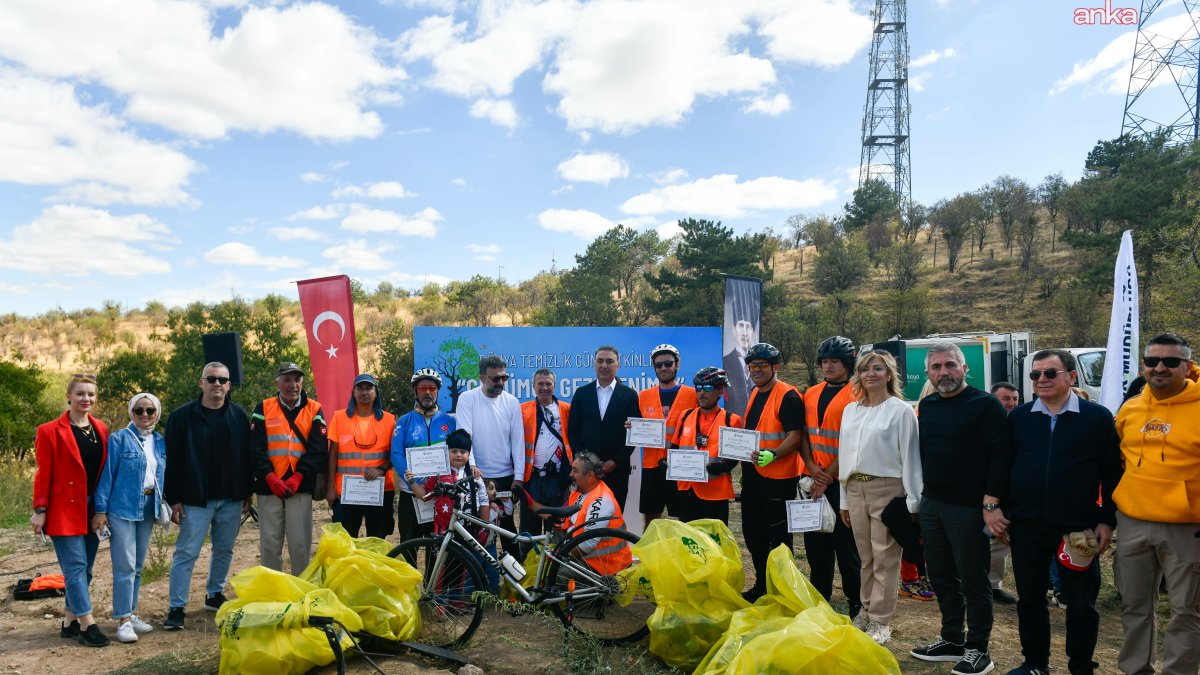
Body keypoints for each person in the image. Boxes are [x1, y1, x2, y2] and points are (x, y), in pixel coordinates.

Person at [1004, 349, 1121, 675]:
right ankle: (1035, 663)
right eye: (1035, 375)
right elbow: (1006, 465)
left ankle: (1081, 666)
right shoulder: (1021, 417)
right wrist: (1000, 508)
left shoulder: (1096, 417)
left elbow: (1112, 472)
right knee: (1029, 601)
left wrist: (1107, 518)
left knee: (1081, 604)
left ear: (1071, 377)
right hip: (1027, 525)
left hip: (1079, 527)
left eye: (1049, 373)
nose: (1041, 379)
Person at [910, 342, 1010, 675]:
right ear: (928, 373)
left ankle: (978, 649)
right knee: (939, 574)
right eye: (936, 367)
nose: (944, 372)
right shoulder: (930, 406)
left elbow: (1001, 456)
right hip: (933, 503)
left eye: (950, 365)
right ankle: (952, 638)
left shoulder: (985, 405)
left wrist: (991, 502)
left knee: (973, 578)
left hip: (970, 509)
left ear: (965, 369)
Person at [1112, 333, 1200, 675]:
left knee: (1186, 610)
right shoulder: (1131, 408)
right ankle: (1135, 670)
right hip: (1133, 522)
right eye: (1152, 361)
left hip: (1187, 527)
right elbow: (1120, 458)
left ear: (1188, 367)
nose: (1160, 367)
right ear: (1143, 366)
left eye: (1171, 361)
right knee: (1134, 606)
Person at [837, 350, 922, 646]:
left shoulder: (900, 410)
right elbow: (844, 455)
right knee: (866, 556)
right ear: (858, 375)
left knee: (885, 557)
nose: (871, 374)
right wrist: (844, 500)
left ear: (889, 374)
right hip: (855, 487)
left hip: (888, 487)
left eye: (878, 369)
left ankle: (881, 621)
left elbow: (911, 457)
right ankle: (866, 609)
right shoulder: (851, 410)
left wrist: (913, 502)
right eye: (865, 369)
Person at [163, 362, 253, 630]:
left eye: (222, 380)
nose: (217, 384)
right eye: (211, 379)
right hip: (194, 499)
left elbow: (245, 458)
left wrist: (247, 491)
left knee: (224, 549)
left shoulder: (239, 416)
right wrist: (174, 498)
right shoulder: (181, 417)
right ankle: (176, 607)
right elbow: (173, 460)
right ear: (201, 383)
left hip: (231, 498)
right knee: (186, 553)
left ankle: (214, 595)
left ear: (229, 385)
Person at [31, 373, 111, 647]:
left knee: (85, 569)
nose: (85, 398)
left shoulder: (101, 428)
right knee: (75, 566)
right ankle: (88, 624)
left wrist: (101, 508)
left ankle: (68, 623)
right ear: (69, 396)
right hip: (62, 508)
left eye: (90, 394)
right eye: (80, 393)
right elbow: (43, 473)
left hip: (91, 508)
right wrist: (40, 509)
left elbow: (102, 472)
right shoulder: (49, 430)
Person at [92, 392, 166, 643]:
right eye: (139, 410)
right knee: (124, 564)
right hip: (121, 506)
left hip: (147, 506)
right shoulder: (119, 439)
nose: (145, 415)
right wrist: (100, 510)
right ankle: (123, 619)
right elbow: (107, 475)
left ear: (157, 413)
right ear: (131, 412)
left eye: (150, 410)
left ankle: (132, 613)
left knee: (137, 565)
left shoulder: (159, 441)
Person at [798, 335, 863, 619]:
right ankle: (819, 602)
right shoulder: (811, 392)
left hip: (842, 484)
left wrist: (826, 476)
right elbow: (804, 433)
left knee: (847, 549)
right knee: (816, 547)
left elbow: (855, 442)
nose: (828, 366)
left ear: (847, 363)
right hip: (811, 480)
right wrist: (811, 466)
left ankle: (857, 604)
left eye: (834, 361)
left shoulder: (858, 394)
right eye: (824, 361)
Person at [739, 342, 805, 601]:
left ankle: (782, 590)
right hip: (754, 478)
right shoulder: (755, 392)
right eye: (752, 366)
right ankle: (762, 585)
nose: (756, 370)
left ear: (775, 366)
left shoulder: (788, 395)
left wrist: (774, 454)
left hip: (779, 479)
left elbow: (796, 436)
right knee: (753, 535)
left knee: (778, 539)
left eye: (762, 365)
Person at [249, 362, 328, 574]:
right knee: (269, 544)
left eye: (297, 379)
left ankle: (301, 591)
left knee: (300, 545)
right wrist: (270, 478)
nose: (292, 384)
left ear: (302, 382)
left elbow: (318, 449)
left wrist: (298, 477)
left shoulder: (314, 408)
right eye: (286, 379)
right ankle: (273, 590)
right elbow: (255, 448)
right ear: (277, 383)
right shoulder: (263, 407)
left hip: (299, 487)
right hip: (269, 487)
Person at [454, 355, 523, 557]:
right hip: (477, 476)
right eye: (495, 379)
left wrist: (518, 478)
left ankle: (514, 584)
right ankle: (481, 582)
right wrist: (473, 468)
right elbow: (466, 438)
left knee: (508, 530)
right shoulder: (468, 399)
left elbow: (518, 443)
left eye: (504, 378)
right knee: (477, 530)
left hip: (506, 478)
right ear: (482, 377)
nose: (500, 383)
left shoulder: (512, 402)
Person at [567, 345, 641, 510]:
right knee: (584, 516)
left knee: (613, 517)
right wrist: (583, 461)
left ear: (617, 365)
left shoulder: (629, 395)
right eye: (600, 361)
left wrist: (614, 461)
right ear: (595, 364)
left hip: (617, 471)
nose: (604, 366)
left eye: (609, 361)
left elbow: (634, 434)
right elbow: (573, 430)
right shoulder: (581, 393)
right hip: (586, 472)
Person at [327, 373, 396, 538]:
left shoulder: (389, 420)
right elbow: (332, 454)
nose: (365, 392)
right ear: (353, 392)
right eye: (360, 388)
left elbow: (395, 454)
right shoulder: (339, 418)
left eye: (369, 388)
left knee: (377, 540)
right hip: (346, 492)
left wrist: (381, 469)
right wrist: (329, 489)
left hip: (380, 491)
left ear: (375, 392)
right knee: (345, 541)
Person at [669, 367, 740, 525]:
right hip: (686, 489)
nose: (702, 392)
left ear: (720, 391)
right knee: (688, 539)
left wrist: (722, 467)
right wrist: (668, 462)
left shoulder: (731, 420)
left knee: (713, 541)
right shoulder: (685, 415)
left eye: (707, 388)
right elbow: (674, 447)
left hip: (715, 491)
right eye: (698, 388)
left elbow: (735, 458)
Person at [392, 368, 456, 544]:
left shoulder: (449, 421)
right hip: (411, 492)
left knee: (437, 546)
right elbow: (396, 454)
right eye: (422, 388)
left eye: (432, 388)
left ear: (437, 392)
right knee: (408, 544)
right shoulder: (404, 421)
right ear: (415, 391)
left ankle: (432, 574)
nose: (427, 392)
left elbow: (457, 453)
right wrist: (414, 480)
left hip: (440, 493)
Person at [637, 344, 697, 526]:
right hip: (651, 465)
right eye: (659, 365)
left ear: (677, 365)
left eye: (668, 364)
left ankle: (682, 552)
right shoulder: (643, 396)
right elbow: (638, 428)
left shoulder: (693, 394)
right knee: (651, 515)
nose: (663, 368)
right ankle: (652, 552)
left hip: (680, 465)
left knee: (683, 515)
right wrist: (631, 427)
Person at [519, 368, 572, 542]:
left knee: (559, 531)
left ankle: (556, 566)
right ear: (533, 386)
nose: (544, 388)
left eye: (548, 384)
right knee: (529, 533)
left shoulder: (566, 409)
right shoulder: (522, 410)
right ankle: (528, 567)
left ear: (554, 386)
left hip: (558, 481)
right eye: (540, 384)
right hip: (532, 480)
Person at [560, 453, 633, 574]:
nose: (570, 475)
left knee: (554, 579)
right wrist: (529, 501)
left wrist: (559, 557)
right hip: (588, 558)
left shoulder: (601, 501)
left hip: (606, 567)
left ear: (589, 475)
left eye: (575, 471)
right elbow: (558, 516)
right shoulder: (579, 492)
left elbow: (587, 545)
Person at [988, 381, 1020, 606]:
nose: (1011, 403)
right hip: (990, 496)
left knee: (1002, 546)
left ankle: (994, 585)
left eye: (1015, 399)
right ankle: (984, 586)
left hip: (1017, 494)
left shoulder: (1022, 422)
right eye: (1006, 398)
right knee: (991, 542)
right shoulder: (986, 424)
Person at [722, 319, 757, 416]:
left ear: (753, 334)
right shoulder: (723, 363)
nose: (744, 333)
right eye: (741, 325)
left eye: (748, 327)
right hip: (732, 423)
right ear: (734, 330)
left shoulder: (761, 364)